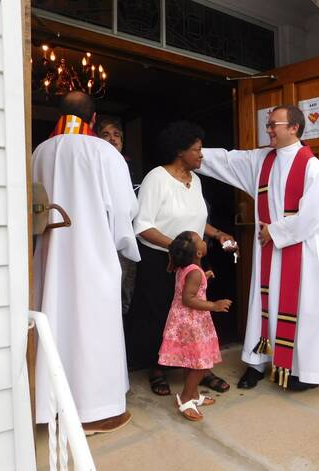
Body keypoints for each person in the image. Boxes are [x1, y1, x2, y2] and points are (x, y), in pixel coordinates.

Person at [197, 105, 319, 391]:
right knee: (264, 304)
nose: (268, 129)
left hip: (301, 253)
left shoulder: (310, 165)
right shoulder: (261, 160)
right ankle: (257, 362)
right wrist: (192, 152)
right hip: (269, 252)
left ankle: (301, 369)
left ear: (293, 127)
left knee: (305, 309)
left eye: (273, 125)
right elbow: (229, 161)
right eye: (268, 125)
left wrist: (275, 230)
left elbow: (316, 212)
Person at [32, 91, 140, 434]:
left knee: (56, 322)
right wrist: (123, 243)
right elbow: (124, 209)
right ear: (93, 120)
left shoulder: (39, 152)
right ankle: (98, 411)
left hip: (50, 252)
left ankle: (54, 408)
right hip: (93, 253)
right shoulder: (104, 152)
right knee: (94, 329)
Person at [126, 120, 237, 396]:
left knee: (195, 318)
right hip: (161, 262)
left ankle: (199, 369)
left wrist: (217, 233)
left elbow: (196, 219)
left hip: (192, 264)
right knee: (160, 317)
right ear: (180, 152)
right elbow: (143, 226)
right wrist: (179, 247)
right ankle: (157, 369)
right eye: (197, 150)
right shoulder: (157, 178)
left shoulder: (196, 181)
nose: (202, 155)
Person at [158, 231, 231, 421]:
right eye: (200, 240)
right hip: (192, 324)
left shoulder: (188, 269)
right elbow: (188, 299)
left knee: (192, 360)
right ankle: (185, 399)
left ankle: (194, 395)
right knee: (200, 364)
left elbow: (190, 284)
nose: (203, 240)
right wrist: (214, 305)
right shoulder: (194, 273)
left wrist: (204, 277)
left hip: (184, 322)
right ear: (198, 253)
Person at [94, 117, 137, 315]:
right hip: (101, 237)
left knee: (126, 291)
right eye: (106, 135)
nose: (112, 139)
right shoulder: (95, 165)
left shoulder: (130, 167)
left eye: (116, 135)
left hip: (127, 235)